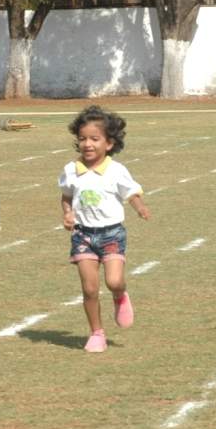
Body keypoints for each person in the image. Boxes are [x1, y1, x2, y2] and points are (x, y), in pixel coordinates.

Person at [59, 106, 151, 353]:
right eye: (82, 138)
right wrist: (67, 214)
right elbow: (66, 196)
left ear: (109, 143)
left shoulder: (116, 170)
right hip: (82, 235)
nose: (87, 144)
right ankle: (96, 333)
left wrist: (140, 207)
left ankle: (120, 295)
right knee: (89, 288)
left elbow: (131, 193)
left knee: (113, 281)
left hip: (111, 234)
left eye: (94, 139)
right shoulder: (71, 170)